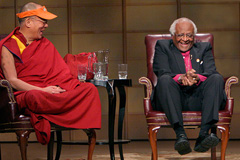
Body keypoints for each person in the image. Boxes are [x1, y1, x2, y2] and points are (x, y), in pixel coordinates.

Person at [0, 2, 101, 144]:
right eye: (43, 21)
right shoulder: (8, 46)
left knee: (89, 90)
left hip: (49, 92)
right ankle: (55, 110)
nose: (46, 25)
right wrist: (43, 90)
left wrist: (72, 86)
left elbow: (61, 74)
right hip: (28, 93)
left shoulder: (45, 44)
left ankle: (49, 112)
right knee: (35, 97)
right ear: (28, 22)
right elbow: (12, 81)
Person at [152, 17, 226, 155]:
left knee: (216, 78)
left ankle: (203, 135)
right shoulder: (163, 47)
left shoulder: (204, 48)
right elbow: (161, 71)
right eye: (180, 35)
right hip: (172, 98)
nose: (185, 39)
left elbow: (210, 71)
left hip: (198, 99)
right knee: (164, 80)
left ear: (194, 36)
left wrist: (197, 77)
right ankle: (180, 135)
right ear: (173, 35)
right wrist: (181, 78)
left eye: (189, 35)